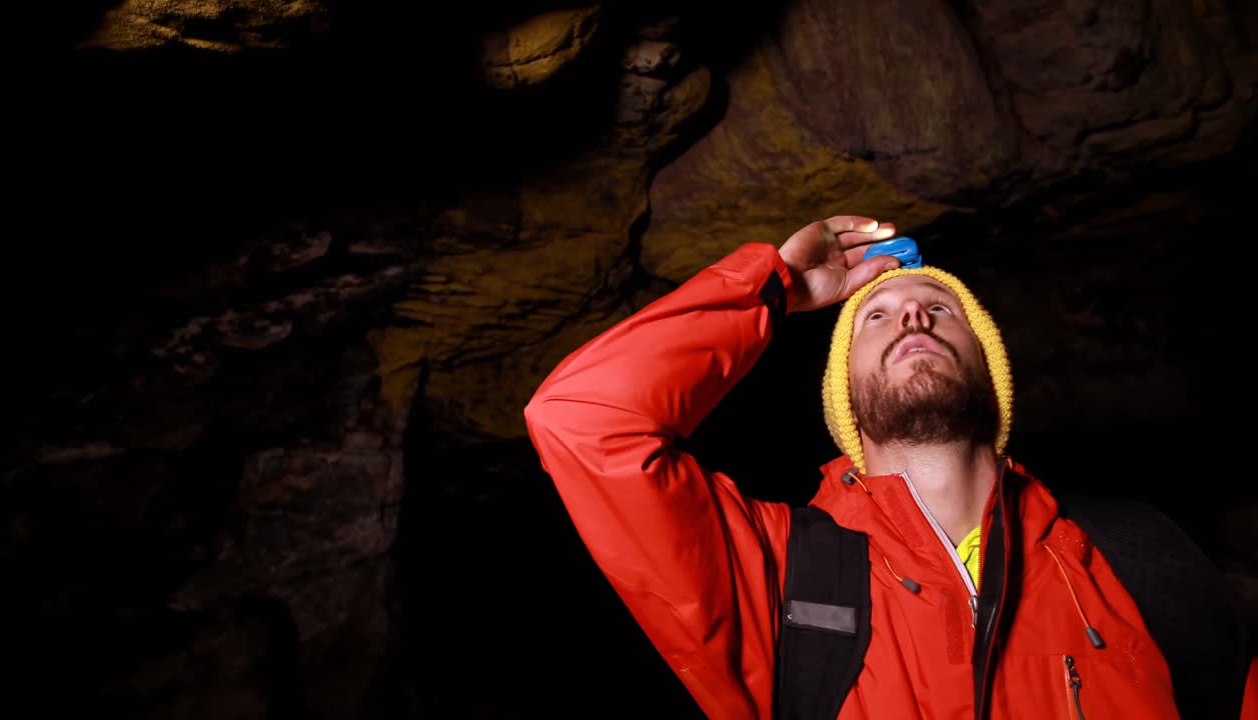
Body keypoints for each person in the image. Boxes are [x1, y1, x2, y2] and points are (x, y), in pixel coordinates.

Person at [523, 215, 1258, 719]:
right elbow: (585, 420)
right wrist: (773, 287)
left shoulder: (1134, 560)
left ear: (989, 366)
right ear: (844, 390)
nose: (911, 315)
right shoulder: (774, 575)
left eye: (941, 308)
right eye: (876, 315)